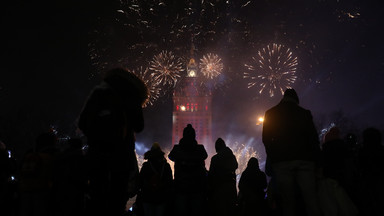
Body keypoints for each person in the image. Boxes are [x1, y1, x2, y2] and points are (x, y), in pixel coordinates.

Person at [78, 67, 148, 216]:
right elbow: (139, 126)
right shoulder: (132, 96)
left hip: (97, 157)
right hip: (121, 158)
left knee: (97, 199)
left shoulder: (98, 93)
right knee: (117, 201)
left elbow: (82, 123)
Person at [262, 88, 322, 216]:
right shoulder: (305, 113)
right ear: (296, 100)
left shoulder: (271, 113)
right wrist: (317, 162)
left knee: (288, 203)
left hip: (282, 162)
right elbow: (313, 139)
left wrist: (274, 156)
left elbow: (266, 139)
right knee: (311, 200)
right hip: (305, 161)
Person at [168, 124, 208, 216]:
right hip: (196, 187)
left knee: (181, 211)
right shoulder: (200, 149)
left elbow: (171, 156)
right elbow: (204, 156)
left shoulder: (177, 149)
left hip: (181, 186)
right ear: (194, 135)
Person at [138, 142, 173, 216]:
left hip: (147, 197)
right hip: (161, 197)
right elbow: (170, 182)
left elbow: (140, 181)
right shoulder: (166, 166)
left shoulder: (146, 166)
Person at [208, 138, 238, 216]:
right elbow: (236, 166)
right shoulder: (232, 156)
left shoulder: (215, 159)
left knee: (221, 210)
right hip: (231, 186)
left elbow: (211, 174)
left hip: (219, 188)